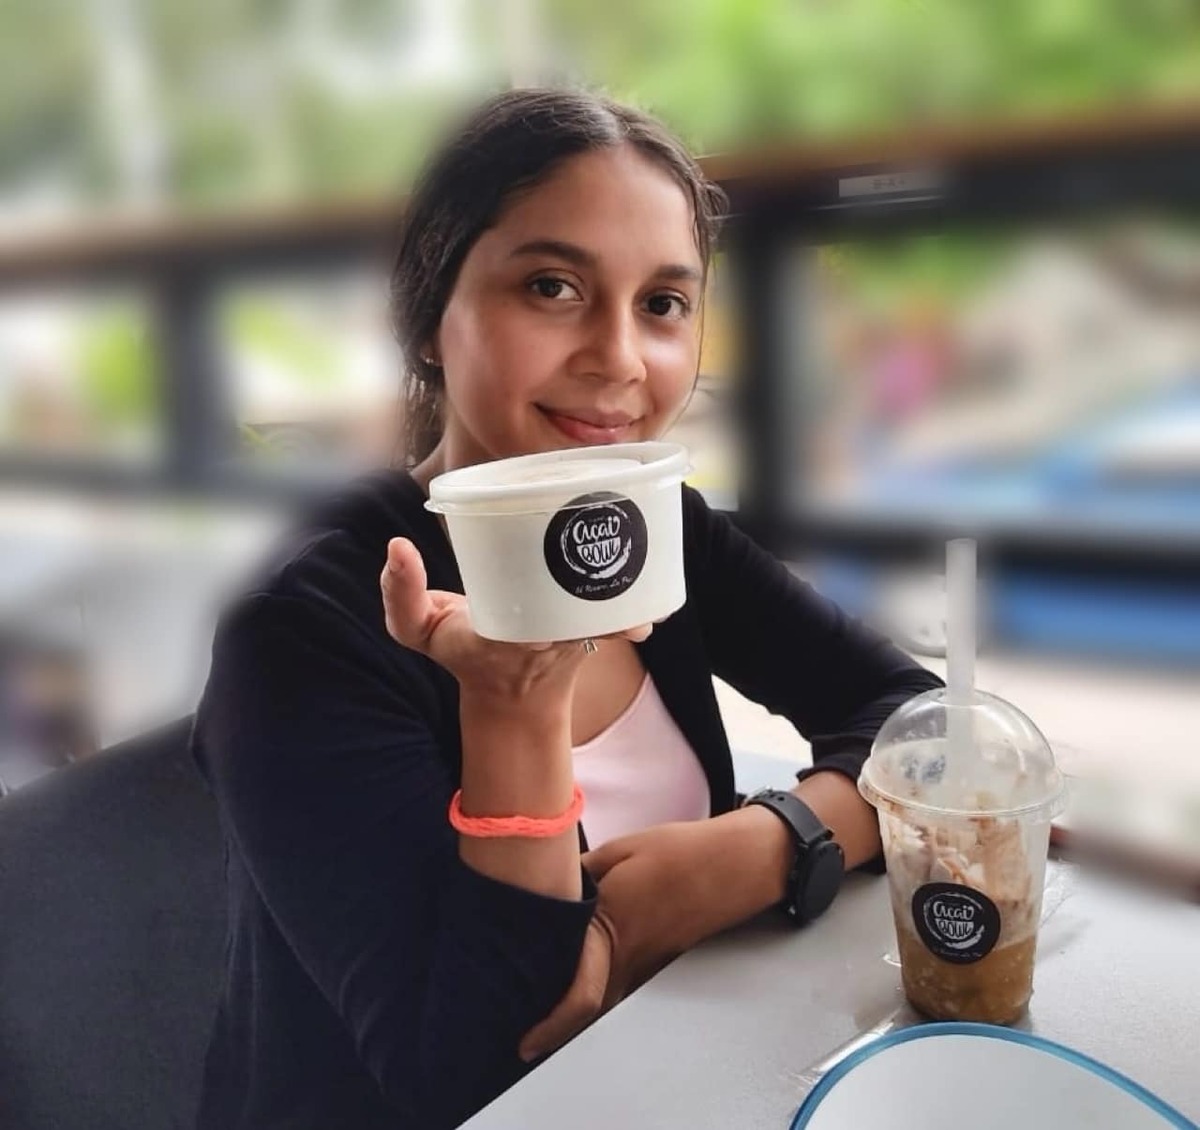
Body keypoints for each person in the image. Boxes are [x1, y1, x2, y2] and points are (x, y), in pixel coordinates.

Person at [191, 88, 942, 1130]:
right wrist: (514, 707)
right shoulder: (303, 629)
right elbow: (481, 1070)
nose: (619, 358)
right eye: (552, 287)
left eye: (663, 304)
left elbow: (921, 721)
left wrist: (763, 848)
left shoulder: (657, 529)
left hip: (672, 1071)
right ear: (428, 319)